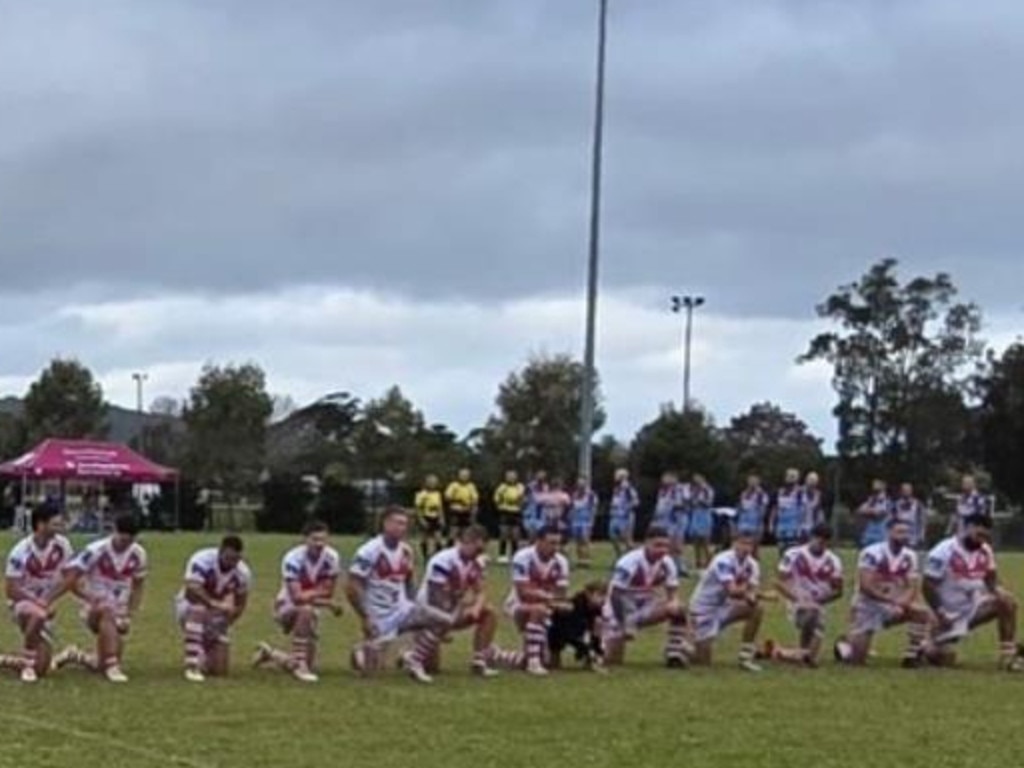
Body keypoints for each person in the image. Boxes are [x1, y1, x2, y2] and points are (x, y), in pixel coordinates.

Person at [346, 508, 449, 684]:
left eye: (405, 524)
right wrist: (366, 617)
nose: (403, 527)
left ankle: (412, 659)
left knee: (444, 620)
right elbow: (352, 585)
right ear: (385, 524)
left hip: (401, 609)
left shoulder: (406, 551)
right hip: (378, 615)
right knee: (370, 676)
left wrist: (413, 604)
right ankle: (361, 652)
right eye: (398, 523)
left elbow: (408, 578)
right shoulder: (369, 551)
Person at [920, 514, 1022, 671]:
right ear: (965, 529)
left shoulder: (985, 550)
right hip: (947, 614)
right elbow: (927, 585)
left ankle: (1008, 656)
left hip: (973, 608)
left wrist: (998, 591)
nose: (981, 540)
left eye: (985, 536)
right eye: (978, 535)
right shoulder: (943, 551)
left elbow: (991, 580)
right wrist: (940, 613)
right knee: (946, 658)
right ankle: (925, 647)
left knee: (1007, 602)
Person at [53, 514, 147, 683]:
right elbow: (69, 577)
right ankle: (113, 667)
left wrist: (129, 614)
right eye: (121, 539)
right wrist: (88, 597)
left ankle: (76, 655)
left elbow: (138, 585)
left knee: (100, 663)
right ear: (114, 531)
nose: (124, 544)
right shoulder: (95, 550)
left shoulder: (139, 554)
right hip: (95, 610)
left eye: (129, 541)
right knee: (106, 608)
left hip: (118, 611)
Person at [254, 520, 342, 683]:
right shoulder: (293, 558)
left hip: (311, 607)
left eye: (323, 539)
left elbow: (328, 591)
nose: (319, 544)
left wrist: (311, 595)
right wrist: (325, 600)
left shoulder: (331, 557)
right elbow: (297, 597)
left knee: (310, 662)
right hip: (285, 607)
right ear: (305, 539)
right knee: (305, 610)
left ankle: (271, 654)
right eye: (315, 539)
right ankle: (299, 666)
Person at [834, 519, 931, 667]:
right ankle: (844, 645)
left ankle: (912, 656)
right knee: (856, 661)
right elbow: (866, 586)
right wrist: (891, 601)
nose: (903, 536)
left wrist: (902, 602)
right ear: (888, 532)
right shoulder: (872, 553)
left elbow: (912, 586)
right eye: (899, 532)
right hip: (868, 605)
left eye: (906, 532)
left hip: (893, 603)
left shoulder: (910, 556)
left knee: (922, 612)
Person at [413, 524, 503, 679]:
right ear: (464, 542)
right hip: (428, 613)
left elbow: (481, 591)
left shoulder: (475, 562)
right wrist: (446, 621)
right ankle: (409, 656)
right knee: (432, 667)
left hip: (451, 610)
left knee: (489, 612)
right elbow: (436, 599)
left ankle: (479, 661)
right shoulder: (442, 561)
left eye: (481, 550)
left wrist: (476, 607)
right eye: (476, 548)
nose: (477, 553)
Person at [3, 503, 74, 682]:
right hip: (22, 603)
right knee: (39, 614)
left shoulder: (62, 545)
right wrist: (38, 602)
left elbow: (70, 577)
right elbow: (11, 590)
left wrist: (48, 599)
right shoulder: (20, 551)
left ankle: (7, 660)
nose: (60, 529)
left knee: (41, 667)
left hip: (44, 603)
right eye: (55, 525)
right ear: (41, 524)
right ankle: (27, 665)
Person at [602, 527, 689, 668]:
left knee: (678, 609)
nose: (662, 550)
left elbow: (673, 592)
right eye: (658, 545)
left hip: (645, 607)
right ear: (646, 543)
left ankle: (675, 651)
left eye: (666, 546)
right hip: (620, 610)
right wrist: (625, 622)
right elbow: (616, 594)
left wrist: (673, 602)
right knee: (612, 661)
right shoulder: (629, 562)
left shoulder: (668, 563)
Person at [172, 536, 251, 682]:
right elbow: (192, 590)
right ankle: (192, 664)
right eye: (228, 558)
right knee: (198, 609)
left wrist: (227, 621)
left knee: (220, 670)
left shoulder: (242, 573)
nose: (231, 563)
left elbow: (241, 604)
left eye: (236, 559)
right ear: (220, 551)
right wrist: (213, 604)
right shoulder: (202, 559)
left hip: (216, 615)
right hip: (188, 606)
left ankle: (203, 651)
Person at [766, 523, 844, 667]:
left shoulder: (834, 561)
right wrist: (797, 598)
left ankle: (779, 652)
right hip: (796, 601)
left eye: (824, 541)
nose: (820, 544)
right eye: (818, 539)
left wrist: (821, 599)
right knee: (814, 618)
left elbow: (839, 591)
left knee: (809, 657)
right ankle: (795, 654)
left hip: (818, 603)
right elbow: (778, 581)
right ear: (811, 538)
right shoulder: (793, 554)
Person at [687, 531, 764, 672]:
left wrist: (753, 596)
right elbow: (732, 591)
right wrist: (759, 594)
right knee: (703, 662)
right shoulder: (723, 560)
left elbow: (751, 592)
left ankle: (745, 656)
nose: (746, 548)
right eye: (743, 543)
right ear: (734, 543)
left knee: (756, 609)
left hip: (726, 606)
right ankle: (685, 648)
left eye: (750, 544)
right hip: (705, 608)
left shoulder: (753, 565)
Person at [503, 527, 570, 676]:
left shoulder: (561, 562)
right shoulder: (523, 557)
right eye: (551, 543)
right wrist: (548, 598)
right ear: (538, 542)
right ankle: (534, 663)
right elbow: (523, 593)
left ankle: (497, 655)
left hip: (547, 605)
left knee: (541, 657)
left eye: (558, 544)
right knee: (538, 610)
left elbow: (560, 594)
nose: (555, 548)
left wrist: (552, 601)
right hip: (518, 605)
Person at [548, 581, 607, 671]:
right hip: (559, 631)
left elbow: (594, 632)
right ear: (588, 594)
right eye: (599, 595)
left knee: (595, 634)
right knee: (554, 661)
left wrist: (597, 649)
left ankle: (591, 661)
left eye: (604, 596)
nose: (602, 599)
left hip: (576, 632)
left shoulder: (596, 610)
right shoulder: (576, 603)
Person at [652, 472, 687, 569]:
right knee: (666, 542)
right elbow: (660, 504)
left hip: (677, 519)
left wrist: (676, 507)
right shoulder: (663, 491)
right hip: (664, 519)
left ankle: (680, 565)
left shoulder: (680, 489)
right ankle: (668, 564)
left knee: (677, 543)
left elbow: (684, 503)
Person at [494, 470, 526, 564]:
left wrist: (520, 504)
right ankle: (502, 555)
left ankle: (515, 555)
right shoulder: (502, 487)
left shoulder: (520, 487)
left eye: (513, 476)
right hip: (505, 512)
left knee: (515, 535)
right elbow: (496, 498)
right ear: (506, 477)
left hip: (516, 512)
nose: (511, 478)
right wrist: (500, 506)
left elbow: (522, 498)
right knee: (504, 533)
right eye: (509, 476)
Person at [770, 469, 804, 555]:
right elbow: (775, 508)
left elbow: (803, 509)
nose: (791, 479)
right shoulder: (780, 492)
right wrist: (771, 523)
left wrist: (801, 525)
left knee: (793, 551)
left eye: (793, 477)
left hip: (794, 526)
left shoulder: (800, 492)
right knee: (781, 549)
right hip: (781, 526)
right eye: (789, 476)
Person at [735, 473, 770, 557]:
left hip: (755, 522)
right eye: (750, 481)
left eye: (754, 481)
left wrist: (760, 523)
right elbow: (740, 507)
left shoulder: (761, 494)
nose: (752, 483)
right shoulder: (744, 493)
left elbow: (763, 509)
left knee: (754, 546)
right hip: (743, 522)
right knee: (743, 544)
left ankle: (755, 565)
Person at [608, 469, 639, 557]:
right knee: (612, 537)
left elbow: (635, 502)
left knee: (626, 539)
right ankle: (619, 555)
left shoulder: (628, 488)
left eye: (617, 475)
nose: (615, 477)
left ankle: (635, 554)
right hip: (615, 516)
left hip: (625, 517)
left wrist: (627, 510)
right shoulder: (616, 489)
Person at [444, 468, 479, 546]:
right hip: (455, 511)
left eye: (466, 475)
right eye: (462, 475)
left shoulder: (471, 486)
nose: (464, 477)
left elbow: (475, 499)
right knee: (453, 532)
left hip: (467, 512)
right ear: (458, 475)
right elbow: (447, 497)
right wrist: (459, 500)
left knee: (466, 532)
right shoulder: (453, 485)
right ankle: (449, 548)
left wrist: (473, 510)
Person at [414, 474, 445, 561]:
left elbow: (440, 507)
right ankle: (425, 557)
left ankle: (439, 556)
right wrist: (421, 519)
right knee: (425, 538)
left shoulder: (437, 494)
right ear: (426, 483)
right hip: (426, 517)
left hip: (435, 518)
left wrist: (442, 518)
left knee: (438, 539)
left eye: (434, 482)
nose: (433, 484)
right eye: (431, 482)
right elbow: (418, 509)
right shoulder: (421, 494)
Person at [569, 478, 598, 568]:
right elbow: (572, 507)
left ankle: (587, 560)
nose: (580, 486)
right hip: (575, 521)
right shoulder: (575, 495)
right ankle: (580, 560)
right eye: (578, 484)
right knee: (578, 541)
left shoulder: (591, 495)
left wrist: (591, 520)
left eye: (582, 484)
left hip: (586, 521)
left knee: (585, 540)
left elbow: (593, 508)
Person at [687, 474, 715, 570]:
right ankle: (698, 561)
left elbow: (709, 503)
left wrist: (700, 502)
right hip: (695, 514)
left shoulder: (707, 490)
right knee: (696, 540)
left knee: (705, 539)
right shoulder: (694, 490)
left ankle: (709, 560)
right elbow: (690, 501)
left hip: (704, 514)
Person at [893, 483, 927, 550]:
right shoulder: (896, 504)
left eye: (907, 490)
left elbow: (922, 520)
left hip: (912, 537)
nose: (905, 492)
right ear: (901, 491)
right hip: (899, 536)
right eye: (903, 490)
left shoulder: (918, 504)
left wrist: (921, 535)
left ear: (911, 491)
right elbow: (892, 520)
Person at [523, 471, 550, 543]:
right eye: (539, 476)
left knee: (541, 537)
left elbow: (547, 499)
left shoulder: (546, 487)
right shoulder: (530, 486)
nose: (541, 478)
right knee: (531, 536)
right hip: (531, 514)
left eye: (543, 477)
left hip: (541, 515)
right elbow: (525, 498)